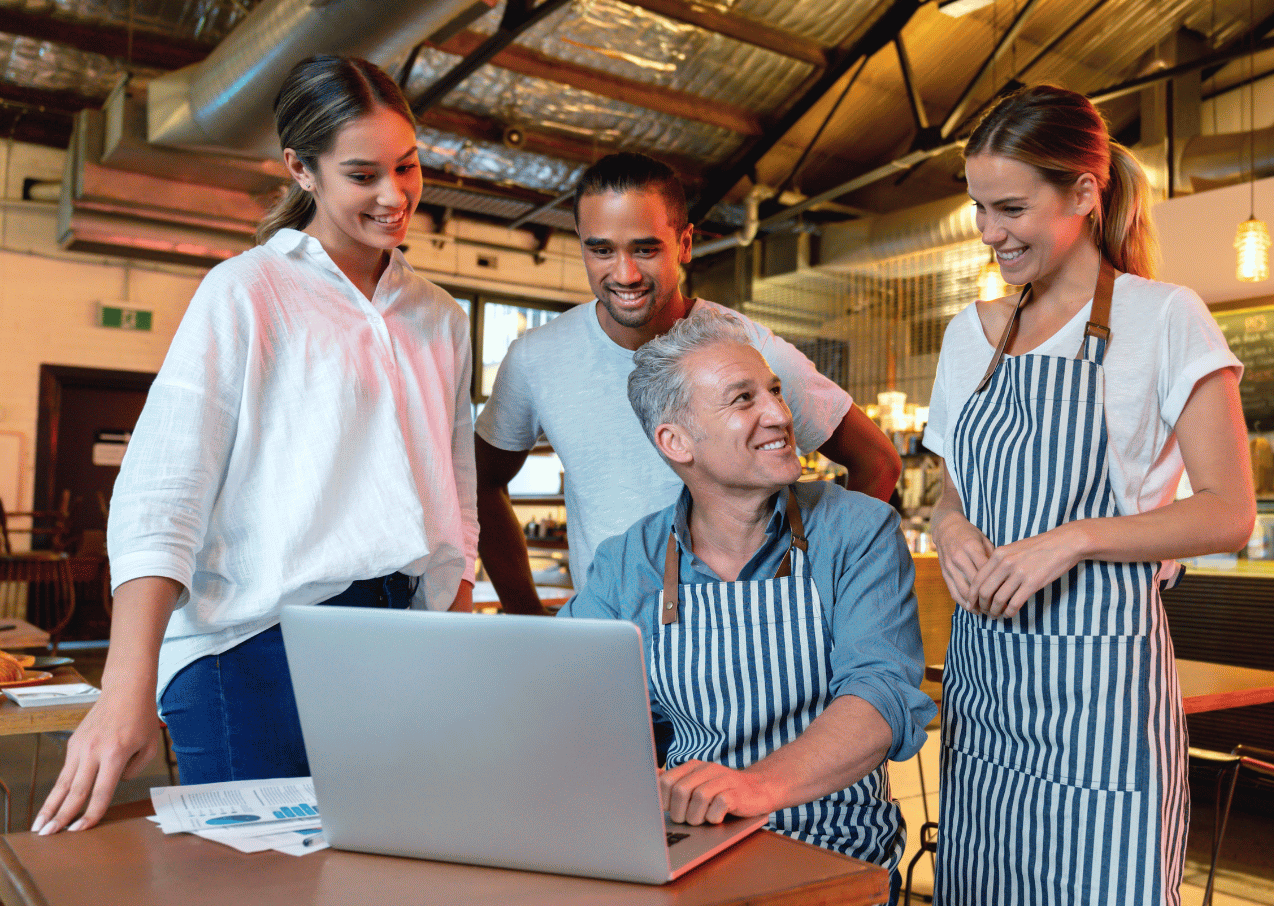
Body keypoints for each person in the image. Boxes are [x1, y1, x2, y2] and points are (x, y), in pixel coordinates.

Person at [34, 56, 478, 835]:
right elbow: (163, 494)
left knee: (379, 879)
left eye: (406, 166)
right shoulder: (247, 290)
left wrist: (453, 635)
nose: (393, 194)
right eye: (361, 174)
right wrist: (125, 685)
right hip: (253, 650)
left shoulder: (438, 315)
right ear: (300, 170)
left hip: (401, 641)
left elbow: (457, 492)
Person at [924, 85, 1257, 904]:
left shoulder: (1165, 318)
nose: (991, 233)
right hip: (986, 692)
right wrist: (952, 529)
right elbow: (948, 487)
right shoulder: (968, 334)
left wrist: (1073, 539)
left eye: (1010, 208)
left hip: (1101, 706)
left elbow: (1228, 510)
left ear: (1083, 192)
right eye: (979, 209)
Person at [564, 309, 935, 904]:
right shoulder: (626, 562)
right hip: (691, 851)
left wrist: (755, 787)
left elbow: (881, 697)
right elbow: (571, 706)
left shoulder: (857, 531)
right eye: (743, 399)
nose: (780, 416)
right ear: (675, 441)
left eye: (776, 392)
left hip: (834, 854)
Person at [475, 153, 901, 613]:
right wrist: (525, 611)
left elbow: (877, 462)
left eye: (645, 249)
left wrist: (819, 587)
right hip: (610, 637)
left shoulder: (749, 349)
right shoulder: (536, 358)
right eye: (601, 250)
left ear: (684, 244)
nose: (624, 274)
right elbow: (481, 483)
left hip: (748, 633)